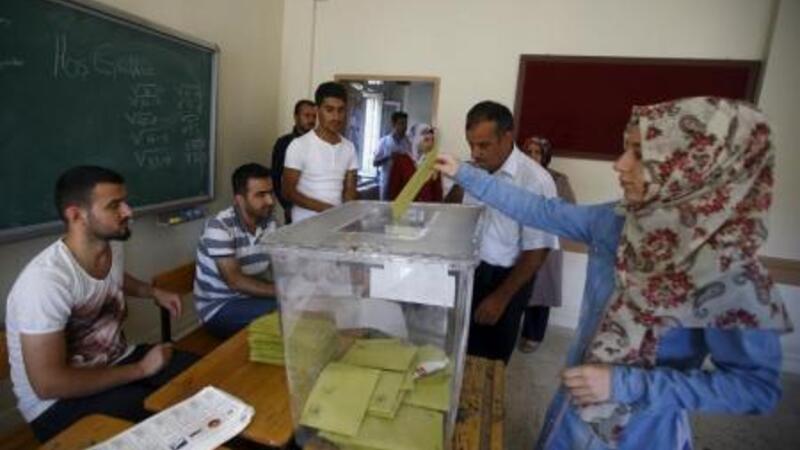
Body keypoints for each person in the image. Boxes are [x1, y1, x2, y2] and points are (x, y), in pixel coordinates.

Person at [435, 97, 792, 449]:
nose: (619, 165)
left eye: (639, 154)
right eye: (625, 150)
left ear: (691, 167)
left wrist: (623, 384)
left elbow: (755, 389)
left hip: (642, 433)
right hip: (572, 413)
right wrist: (463, 173)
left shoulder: (729, 270)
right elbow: (541, 210)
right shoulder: (617, 221)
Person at [4, 166, 198, 442]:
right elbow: (48, 385)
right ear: (76, 215)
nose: (128, 211)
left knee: (201, 377)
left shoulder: (111, 244)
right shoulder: (44, 282)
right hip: (56, 405)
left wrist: (152, 292)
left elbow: (115, 278)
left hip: (115, 360)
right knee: (172, 425)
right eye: (114, 205)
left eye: (125, 202)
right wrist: (141, 370)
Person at [450, 101, 559, 364]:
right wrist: (458, 182)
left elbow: (538, 250)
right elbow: (453, 214)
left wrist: (501, 298)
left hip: (504, 280)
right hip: (468, 272)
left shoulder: (535, 180)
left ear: (508, 137)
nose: (475, 153)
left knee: (489, 361)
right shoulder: (472, 170)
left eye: (483, 145)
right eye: (471, 144)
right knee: (457, 352)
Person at [194, 163, 278, 339]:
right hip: (219, 308)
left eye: (271, 193)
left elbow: (280, 264)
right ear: (239, 199)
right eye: (261, 195)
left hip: (251, 298)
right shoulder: (219, 226)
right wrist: (283, 291)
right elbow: (235, 281)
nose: (270, 201)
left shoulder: (270, 222)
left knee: (301, 304)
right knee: (286, 310)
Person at [517, 136, 576, 353]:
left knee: (541, 291)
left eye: (537, 152)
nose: (533, 156)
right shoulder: (517, 175)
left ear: (545, 156)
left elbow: (568, 210)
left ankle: (533, 335)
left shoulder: (558, 179)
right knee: (516, 285)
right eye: (529, 152)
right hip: (518, 239)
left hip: (546, 241)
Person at [282, 82, 358, 223]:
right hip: (304, 225)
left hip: (335, 225)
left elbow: (350, 191)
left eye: (341, 110)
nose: (336, 117)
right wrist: (328, 210)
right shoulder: (299, 145)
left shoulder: (349, 148)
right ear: (317, 110)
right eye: (329, 110)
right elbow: (288, 192)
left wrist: (347, 218)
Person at [271, 99, 316, 224]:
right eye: (307, 115)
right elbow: (276, 177)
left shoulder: (320, 144)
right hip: (294, 207)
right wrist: (287, 206)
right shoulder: (284, 143)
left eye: (314, 116)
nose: (311, 120)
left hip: (318, 208)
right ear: (296, 117)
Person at [387, 123, 442, 202]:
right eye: (424, 133)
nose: (429, 136)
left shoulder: (434, 163)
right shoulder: (400, 161)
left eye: (431, 135)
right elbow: (393, 193)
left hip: (427, 208)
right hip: (405, 208)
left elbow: (437, 195)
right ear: (411, 138)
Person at [373, 111, 412, 200]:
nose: (404, 127)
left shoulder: (408, 143)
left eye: (405, 124)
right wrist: (389, 157)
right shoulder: (384, 142)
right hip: (387, 182)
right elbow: (375, 163)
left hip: (403, 184)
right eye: (401, 123)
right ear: (394, 124)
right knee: (385, 207)